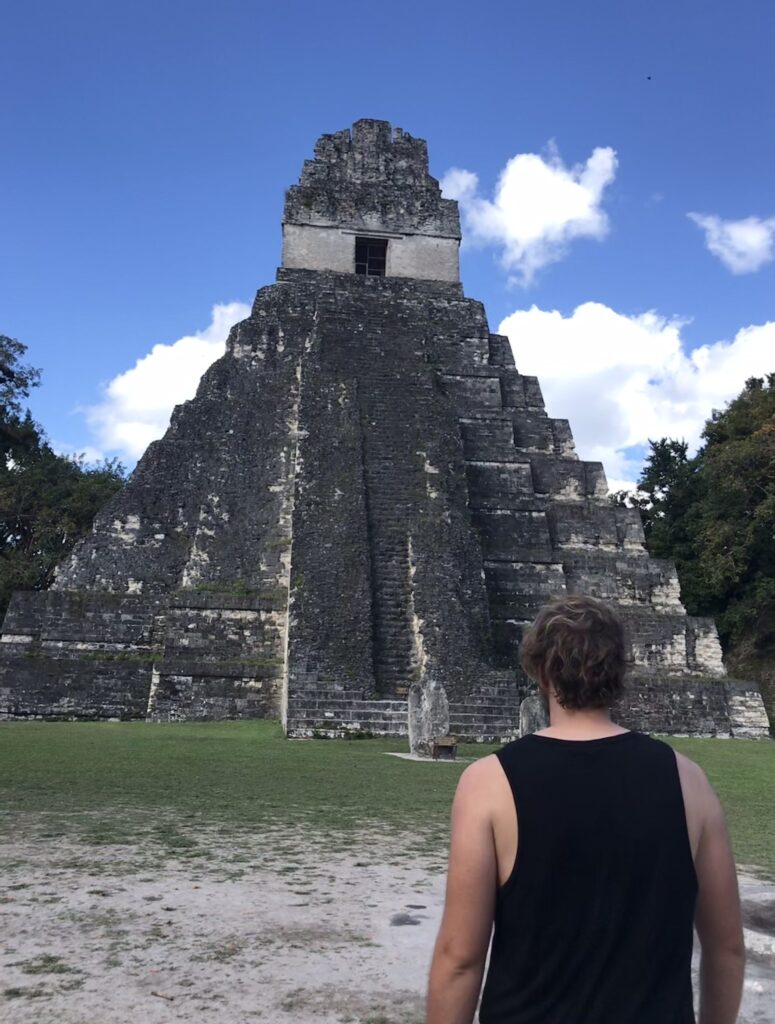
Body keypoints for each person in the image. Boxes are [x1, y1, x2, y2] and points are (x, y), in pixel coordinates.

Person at [425, 594, 745, 1024]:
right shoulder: (689, 781)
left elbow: (460, 958)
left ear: (540, 671)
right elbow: (726, 947)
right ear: (618, 670)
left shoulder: (488, 783)